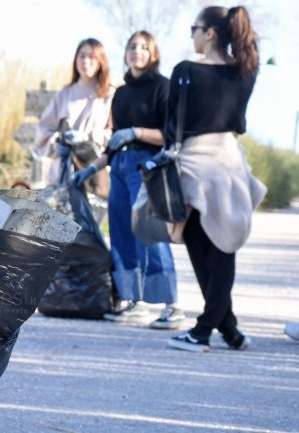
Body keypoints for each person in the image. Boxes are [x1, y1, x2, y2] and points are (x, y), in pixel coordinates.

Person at [165, 5, 266, 352]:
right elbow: (240, 122)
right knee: (223, 249)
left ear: (209, 33)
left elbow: (171, 128)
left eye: (195, 28)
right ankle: (231, 330)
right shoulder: (246, 72)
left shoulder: (185, 71)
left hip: (195, 163)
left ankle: (204, 330)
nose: (192, 34)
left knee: (203, 251)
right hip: (229, 161)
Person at [74, 31, 183, 329]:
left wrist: (136, 132)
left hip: (146, 165)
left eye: (144, 47)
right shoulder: (120, 94)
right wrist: (90, 169)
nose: (138, 51)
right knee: (121, 231)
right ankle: (134, 301)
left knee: (148, 232)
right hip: (119, 166)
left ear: (153, 54)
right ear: (125, 53)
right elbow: (113, 145)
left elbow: (170, 136)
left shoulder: (163, 88)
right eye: (133, 46)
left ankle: (171, 306)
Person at [33, 38, 113, 194]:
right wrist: (56, 144)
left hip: (95, 172)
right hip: (62, 172)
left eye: (91, 57)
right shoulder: (64, 94)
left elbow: (113, 134)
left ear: (101, 61)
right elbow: (43, 130)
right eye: (82, 56)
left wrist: (87, 138)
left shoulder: (109, 95)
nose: (86, 61)